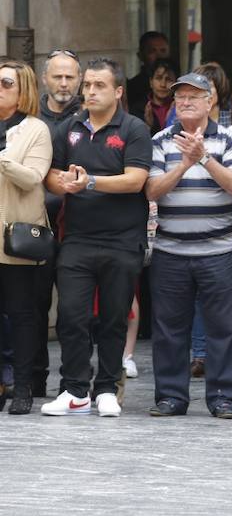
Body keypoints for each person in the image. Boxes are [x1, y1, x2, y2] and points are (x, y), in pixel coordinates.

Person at [42, 58, 152, 417]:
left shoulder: (134, 128)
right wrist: (65, 182)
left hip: (122, 241)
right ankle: (75, 389)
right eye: (87, 85)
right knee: (72, 316)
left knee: (113, 318)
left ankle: (106, 387)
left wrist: (89, 181)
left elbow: (136, 180)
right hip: (77, 238)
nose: (89, 91)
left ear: (118, 91)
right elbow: (52, 176)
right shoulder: (70, 127)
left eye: (98, 85)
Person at [145, 72, 232, 419]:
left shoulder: (230, 141)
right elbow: (152, 190)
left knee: (224, 329)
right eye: (180, 97)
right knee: (168, 328)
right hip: (170, 251)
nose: (185, 101)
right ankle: (171, 397)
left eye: (194, 96)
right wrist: (184, 164)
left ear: (210, 101)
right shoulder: (160, 140)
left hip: (219, 252)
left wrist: (203, 158)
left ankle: (223, 398)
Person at [0, 61, 53, 414]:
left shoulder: (36, 130)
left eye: (5, 83)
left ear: (24, 91)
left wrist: (2, 159)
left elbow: (34, 177)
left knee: (21, 314)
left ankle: (23, 387)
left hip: (13, 239)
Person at [35, 48, 82, 397]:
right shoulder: (27, 116)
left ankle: (73, 383)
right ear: (44, 79)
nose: (64, 83)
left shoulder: (92, 116)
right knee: (32, 307)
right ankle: (33, 380)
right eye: (57, 76)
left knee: (73, 311)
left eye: (70, 77)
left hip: (80, 227)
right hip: (33, 225)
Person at [127, 31, 169, 110]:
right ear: (141, 56)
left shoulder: (177, 84)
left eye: (163, 50)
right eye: (152, 51)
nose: (159, 56)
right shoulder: (133, 87)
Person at [143, 58, 177, 135]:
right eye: (158, 78)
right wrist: (148, 126)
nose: (163, 84)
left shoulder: (180, 108)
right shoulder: (140, 108)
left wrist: (170, 122)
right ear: (151, 82)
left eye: (168, 79)